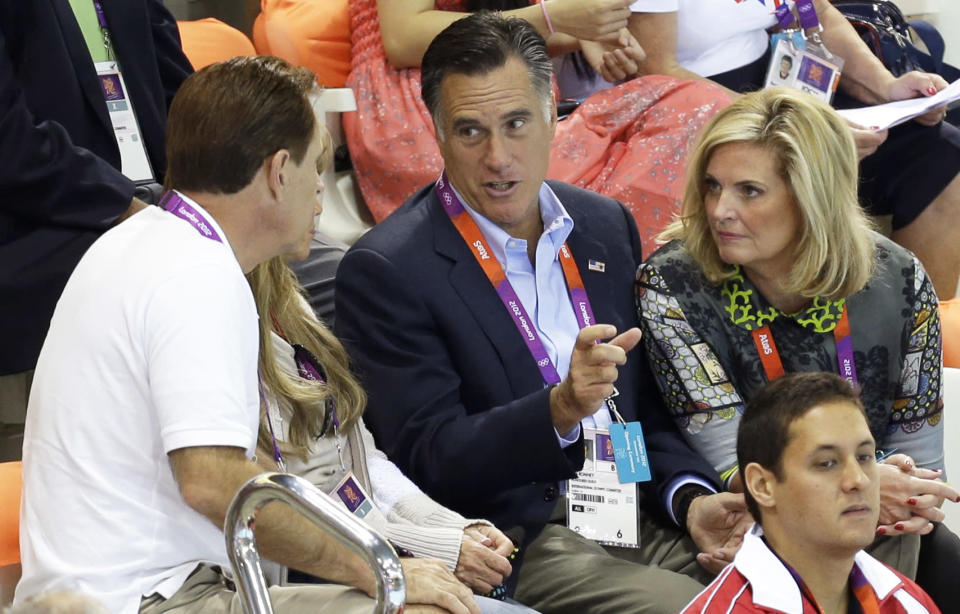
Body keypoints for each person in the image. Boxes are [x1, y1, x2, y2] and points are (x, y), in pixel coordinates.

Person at [16, 56, 482, 614]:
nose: (319, 188)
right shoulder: (198, 274)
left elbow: (246, 471)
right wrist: (378, 568)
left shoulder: (146, 241)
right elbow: (214, 483)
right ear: (278, 170)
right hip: (152, 600)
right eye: (316, 165)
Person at [336, 13, 751, 614]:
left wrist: (690, 499)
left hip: (638, 511)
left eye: (516, 124)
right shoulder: (387, 269)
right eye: (470, 131)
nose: (498, 157)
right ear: (437, 133)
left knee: (792, 578)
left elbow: (644, 412)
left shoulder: (605, 226)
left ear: (553, 112)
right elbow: (427, 458)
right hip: (523, 539)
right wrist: (557, 409)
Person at [637, 86, 960, 607]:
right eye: (713, 187)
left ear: (812, 196)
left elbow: (921, 467)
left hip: (876, 517)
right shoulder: (673, 284)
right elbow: (732, 457)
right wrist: (869, 481)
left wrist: (882, 489)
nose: (721, 210)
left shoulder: (900, 278)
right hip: (757, 519)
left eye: (749, 191)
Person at [247, 255, 537, 614]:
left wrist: (453, 530)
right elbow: (282, 508)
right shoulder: (218, 315)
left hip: (365, 546)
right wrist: (433, 548)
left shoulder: (288, 294)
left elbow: (362, 461)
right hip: (297, 573)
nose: (319, 201)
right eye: (312, 192)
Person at [626, 0, 960, 298]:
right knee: (784, 165)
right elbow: (656, 66)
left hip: (781, 92)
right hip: (689, 109)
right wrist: (803, 124)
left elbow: (819, 13)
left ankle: (925, 326)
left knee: (939, 151)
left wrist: (887, 87)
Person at [341, 0, 730, 250]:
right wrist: (552, 19)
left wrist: (579, 37)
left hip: (522, 96)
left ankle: (616, 266)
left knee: (696, 105)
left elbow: (512, 33)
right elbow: (402, 37)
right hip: (424, 108)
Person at [0, 0, 193, 461]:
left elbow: (185, 97)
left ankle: (347, 481)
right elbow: (11, 147)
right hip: (41, 219)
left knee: (315, 269)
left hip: (151, 204)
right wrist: (125, 206)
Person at [682, 372, 941, 614]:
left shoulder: (909, 602)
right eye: (826, 463)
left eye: (864, 457)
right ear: (762, 486)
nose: (858, 480)